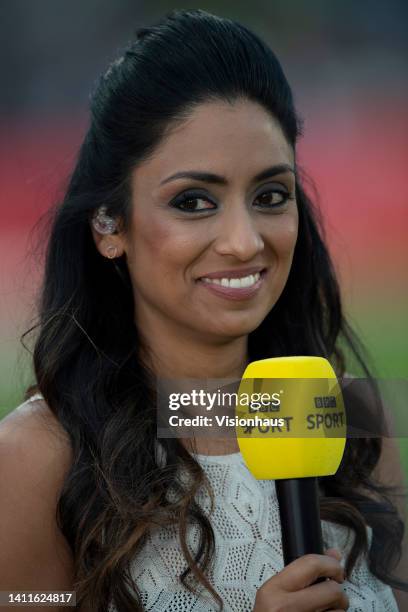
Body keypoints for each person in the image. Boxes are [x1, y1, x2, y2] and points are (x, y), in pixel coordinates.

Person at [0, 8, 406, 612]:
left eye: (271, 196)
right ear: (110, 223)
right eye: (194, 201)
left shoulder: (350, 415)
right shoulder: (36, 459)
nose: (245, 241)